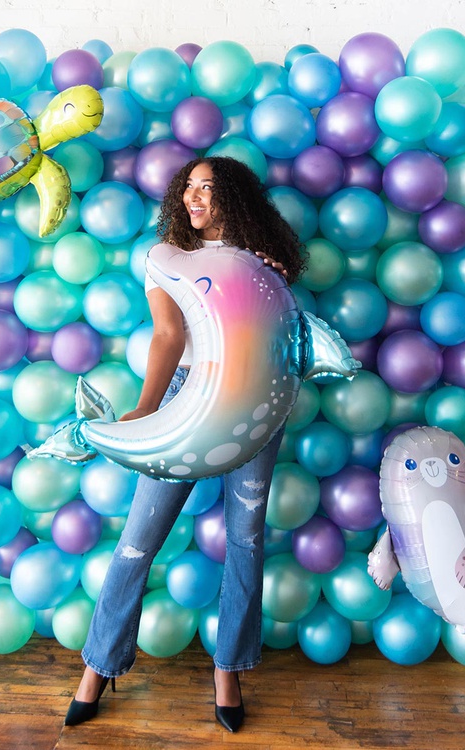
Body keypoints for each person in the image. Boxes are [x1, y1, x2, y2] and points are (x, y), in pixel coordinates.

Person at [64, 156, 306, 732]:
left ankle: (229, 671)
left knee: (246, 538)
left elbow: (278, 332)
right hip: (186, 394)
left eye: (209, 188)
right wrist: (148, 408)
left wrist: (271, 276)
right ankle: (97, 668)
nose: (195, 197)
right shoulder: (168, 257)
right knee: (137, 540)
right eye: (189, 187)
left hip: (254, 395)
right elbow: (169, 335)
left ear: (235, 198)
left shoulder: (260, 259)